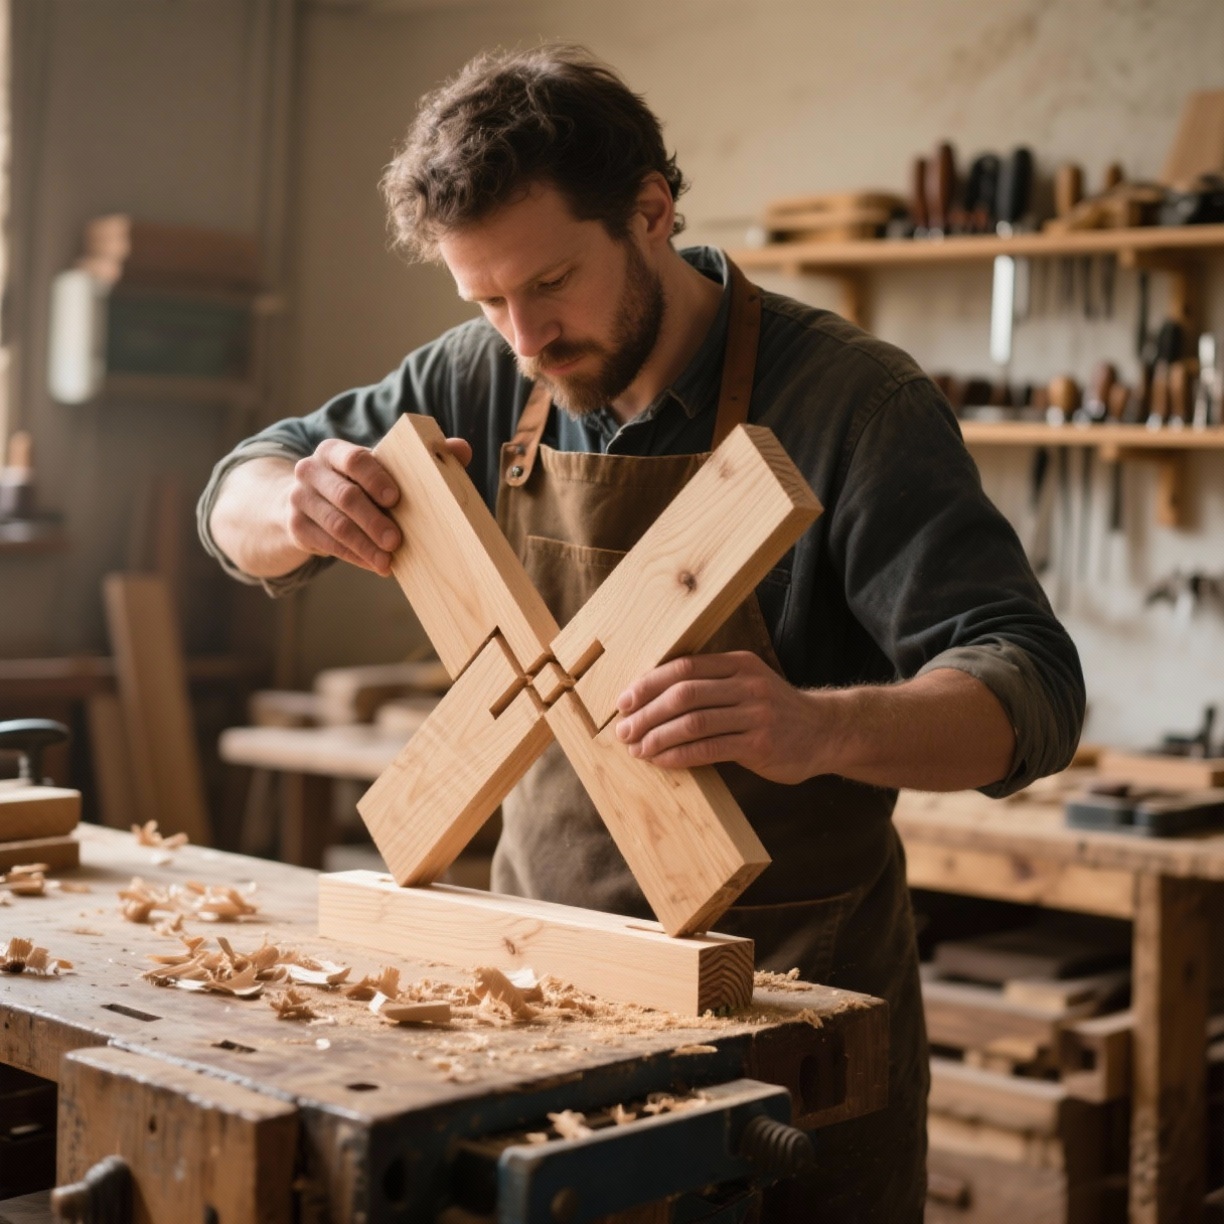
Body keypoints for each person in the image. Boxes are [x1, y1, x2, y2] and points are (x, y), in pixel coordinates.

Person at [199, 44, 1084, 1222]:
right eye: (485, 301)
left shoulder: (852, 404)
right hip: (537, 996)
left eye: (551, 283)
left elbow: (1033, 687)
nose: (525, 335)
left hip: (787, 1013)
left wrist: (816, 726)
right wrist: (295, 504)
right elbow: (237, 491)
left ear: (653, 213)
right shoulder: (486, 372)